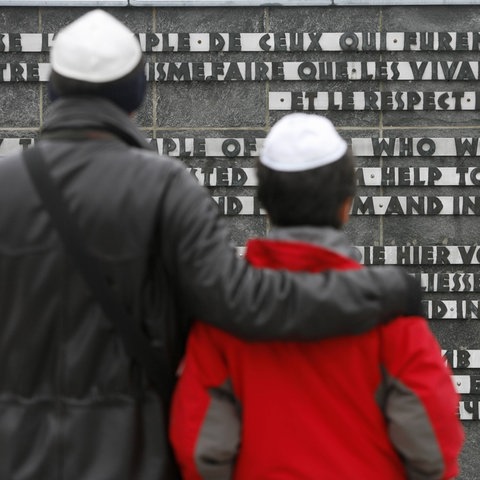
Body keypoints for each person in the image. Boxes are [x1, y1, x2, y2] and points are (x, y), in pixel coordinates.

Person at [0, 10, 423, 480]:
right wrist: (381, 292)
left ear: (54, 90)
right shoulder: (163, 187)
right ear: (135, 93)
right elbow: (241, 303)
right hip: (133, 456)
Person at [169, 113, 464, 480]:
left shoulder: (223, 317)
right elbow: (432, 446)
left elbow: (202, 450)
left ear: (266, 204)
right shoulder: (392, 316)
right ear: (346, 204)